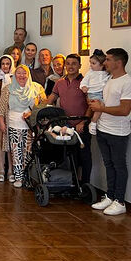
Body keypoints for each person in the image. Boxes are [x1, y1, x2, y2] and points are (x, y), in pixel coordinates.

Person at [89, 48, 131, 216]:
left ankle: (120, 200)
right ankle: (110, 195)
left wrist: (102, 108)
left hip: (118, 132)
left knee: (119, 165)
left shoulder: (128, 82)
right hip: (104, 128)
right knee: (108, 164)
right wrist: (97, 109)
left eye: (108, 60)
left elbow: (124, 109)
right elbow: (105, 103)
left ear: (118, 62)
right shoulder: (109, 80)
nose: (105, 63)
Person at [0, 65, 46, 188]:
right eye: (18, 73)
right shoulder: (8, 89)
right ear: (15, 75)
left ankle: (28, 177)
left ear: (28, 74)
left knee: (29, 152)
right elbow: (1, 108)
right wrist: (2, 123)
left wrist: (33, 112)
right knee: (16, 151)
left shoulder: (36, 88)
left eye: (24, 73)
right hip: (14, 123)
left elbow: (44, 103)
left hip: (31, 124)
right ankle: (18, 177)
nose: (21, 76)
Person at [46, 53, 92, 183]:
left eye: (74, 64)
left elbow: (91, 105)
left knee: (85, 156)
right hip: (66, 126)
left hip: (82, 125)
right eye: (68, 63)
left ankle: (85, 185)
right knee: (71, 156)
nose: (70, 66)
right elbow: (50, 100)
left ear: (80, 66)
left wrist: (83, 122)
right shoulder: (60, 82)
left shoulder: (85, 83)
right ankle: (72, 183)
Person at [0, 55, 15, 182]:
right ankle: (1, 168)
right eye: (3, 64)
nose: (5, 66)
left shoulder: (15, 78)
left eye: (8, 64)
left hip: (12, 111)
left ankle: (11, 169)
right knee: (0, 140)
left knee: (10, 140)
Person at [80, 49, 110, 135]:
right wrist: (83, 87)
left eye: (93, 63)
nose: (91, 65)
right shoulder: (90, 73)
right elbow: (83, 82)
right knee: (100, 107)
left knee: (103, 107)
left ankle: (95, 123)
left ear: (101, 64)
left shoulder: (106, 73)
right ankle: (93, 123)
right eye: (90, 63)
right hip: (93, 94)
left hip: (102, 94)